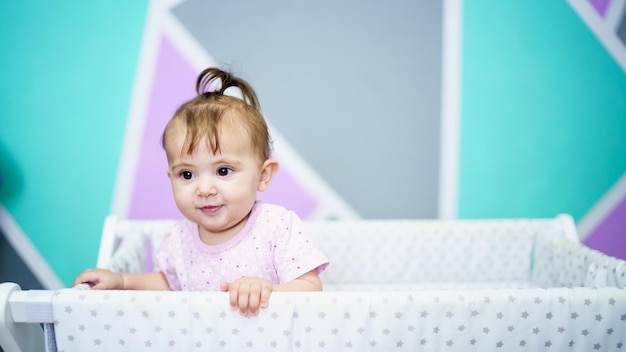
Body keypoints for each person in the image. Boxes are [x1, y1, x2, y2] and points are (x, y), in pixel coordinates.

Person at [73, 67, 329, 317]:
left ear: (263, 176)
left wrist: (267, 290)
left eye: (224, 171)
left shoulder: (277, 227)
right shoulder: (178, 239)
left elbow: (310, 288)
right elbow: (169, 285)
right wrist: (122, 281)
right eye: (187, 174)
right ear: (171, 178)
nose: (204, 189)